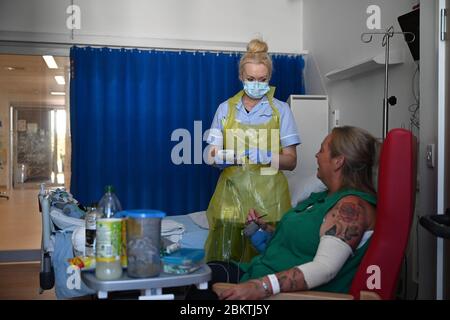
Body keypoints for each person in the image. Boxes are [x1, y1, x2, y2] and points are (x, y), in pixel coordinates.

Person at [187, 126, 379, 300]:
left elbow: (324, 269)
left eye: (322, 150)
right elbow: (301, 247)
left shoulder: (351, 208)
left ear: (338, 161)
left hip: (278, 292)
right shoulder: (322, 198)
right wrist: (266, 234)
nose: (316, 155)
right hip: (257, 272)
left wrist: (260, 286)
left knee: (200, 292)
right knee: (199, 274)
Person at [204, 38, 301, 263]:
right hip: (230, 198)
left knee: (267, 264)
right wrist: (220, 159)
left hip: (270, 201)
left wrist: (264, 156)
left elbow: (291, 161)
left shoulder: (281, 111)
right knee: (224, 262)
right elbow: (211, 153)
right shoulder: (225, 109)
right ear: (241, 77)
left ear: (269, 79)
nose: (256, 84)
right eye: (250, 79)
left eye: (262, 79)